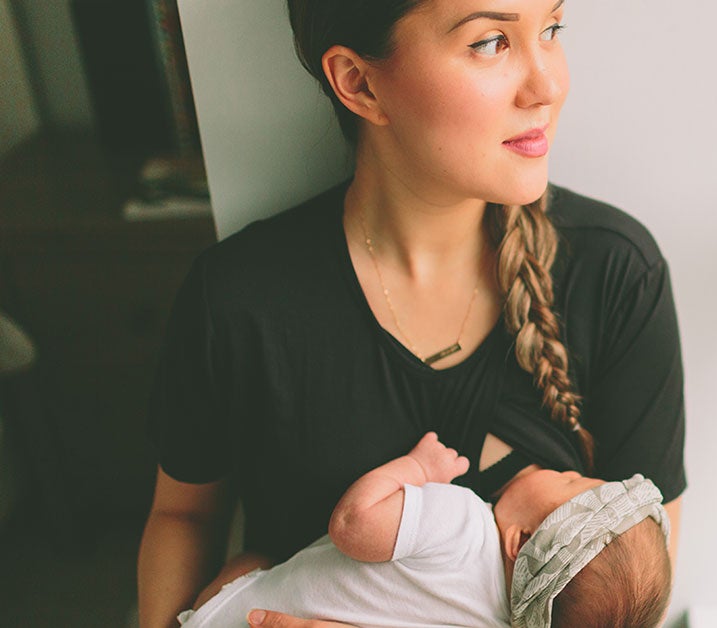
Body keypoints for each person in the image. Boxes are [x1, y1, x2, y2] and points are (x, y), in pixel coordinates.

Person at [137, 1, 686, 626]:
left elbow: (631, 592)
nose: (550, 84)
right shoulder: (239, 297)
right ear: (360, 82)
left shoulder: (616, 274)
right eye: (490, 42)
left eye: (552, 29)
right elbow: (183, 517)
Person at [177, 433, 671, 628]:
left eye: (568, 481)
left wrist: (415, 468)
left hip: (235, 618)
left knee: (251, 561)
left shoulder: (461, 525)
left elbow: (353, 524)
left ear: (519, 541)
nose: (563, 469)